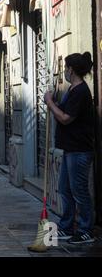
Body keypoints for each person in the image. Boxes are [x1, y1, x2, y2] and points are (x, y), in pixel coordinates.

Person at [44, 52, 95, 244]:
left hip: (79, 150)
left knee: (79, 190)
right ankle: (66, 226)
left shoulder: (81, 91)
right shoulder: (72, 90)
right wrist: (54, 102)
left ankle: (85, 230)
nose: (64, 71)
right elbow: (63, 111)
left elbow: (66, 118)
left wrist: (50, 104)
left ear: (71, 69)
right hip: (69, 149)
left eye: (66, 68)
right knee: (64, 188)